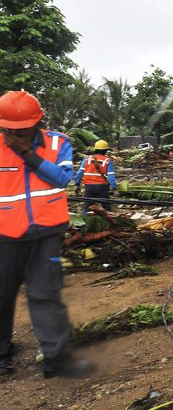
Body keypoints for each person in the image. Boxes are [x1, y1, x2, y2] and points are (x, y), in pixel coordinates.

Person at [0, 90, 95, 379]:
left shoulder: (58, 143)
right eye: (9, 129)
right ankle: (1, 355)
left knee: (45, 294)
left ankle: (56, 359)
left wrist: (28, 155)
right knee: (1, 295)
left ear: (37, 122)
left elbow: (62, 178)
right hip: (5, 235)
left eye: (23, 128)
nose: (16, 133)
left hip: (45, 232)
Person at [73, 139, 117, 213]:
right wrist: (114, 188)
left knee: (87, 206)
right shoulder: (107, 160)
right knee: (106, 207)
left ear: (95, 149)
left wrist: (77, 184)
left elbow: (80, 172)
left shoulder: (87, 159)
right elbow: (111, 176)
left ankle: (84, 221)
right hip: (101, 187)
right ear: (106, 150)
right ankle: (108, 222)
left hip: (88, 186)